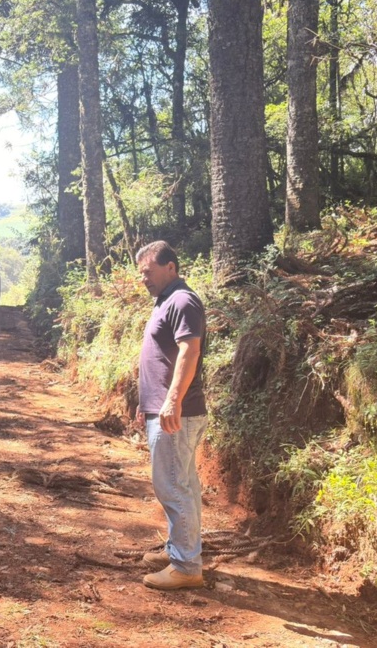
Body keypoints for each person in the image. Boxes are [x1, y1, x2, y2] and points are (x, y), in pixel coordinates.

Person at [134, 240, 208, 590]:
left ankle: (187, 566)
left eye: (148, 272)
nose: (143, 279)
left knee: (174, 487)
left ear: (170, 267)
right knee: (182, 485)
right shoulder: (166, 300)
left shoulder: (182, 300)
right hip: (166, 410)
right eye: (140, 273)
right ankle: (178, 550)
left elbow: (190, 351)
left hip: (177, 413)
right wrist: (147, 402)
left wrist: (172, 400)